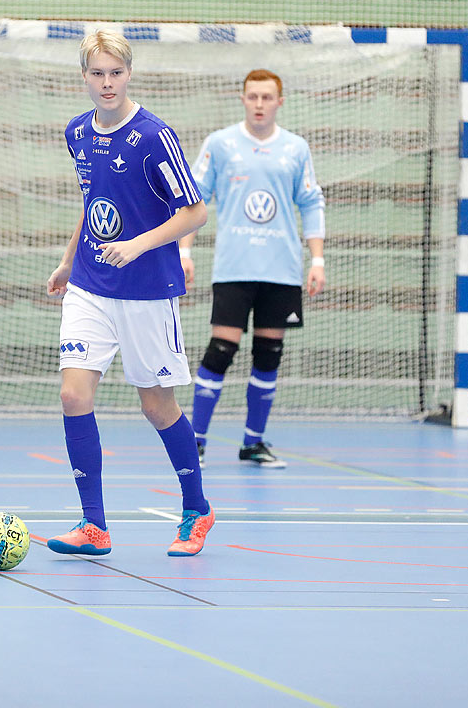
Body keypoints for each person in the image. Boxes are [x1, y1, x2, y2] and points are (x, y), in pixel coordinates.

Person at [45, 29, 215, 557]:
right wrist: (69, 261)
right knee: (74, 395)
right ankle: (93, 525)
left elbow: (194, 210)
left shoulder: (153, 136)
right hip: (91, 284)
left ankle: (196, 509)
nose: (107, 82)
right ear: (84, 77)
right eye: (97, 73)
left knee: (156, 405)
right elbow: (92, 198)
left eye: (115, 72)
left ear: (129, 73)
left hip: (146, 290)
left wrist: (138, 245)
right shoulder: (76, 132)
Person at [179, 69, 326, 469]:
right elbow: (194, 199)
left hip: (280, 271)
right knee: (221, 350)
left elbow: (312, 203)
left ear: (280, 102)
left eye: (267, 97)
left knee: (268, 355)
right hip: (234, 268)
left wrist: (317, 260)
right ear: (242, 99)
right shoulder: (221, 144)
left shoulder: (296, 148)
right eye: (253, 96)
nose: (259, 104)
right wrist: (184, 252)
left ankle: (252, 443)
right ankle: (196, 441)